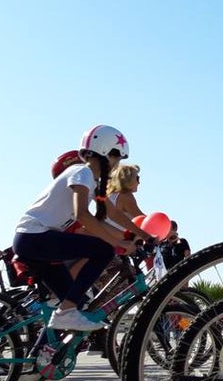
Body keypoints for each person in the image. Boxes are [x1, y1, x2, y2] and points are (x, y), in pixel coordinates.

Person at [12, 126, 142, 331]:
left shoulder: (92, 180)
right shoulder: (82, 172)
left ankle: (48, 347)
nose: (117, 164)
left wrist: (142, 234)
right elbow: (82, 214)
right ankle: (66, 312)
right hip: (34, 238)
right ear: (106, 153)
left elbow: (113, 214)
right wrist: (117, 242)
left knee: (75, 303)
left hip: (34, 240)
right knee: (104, 250)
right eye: (117, 158)